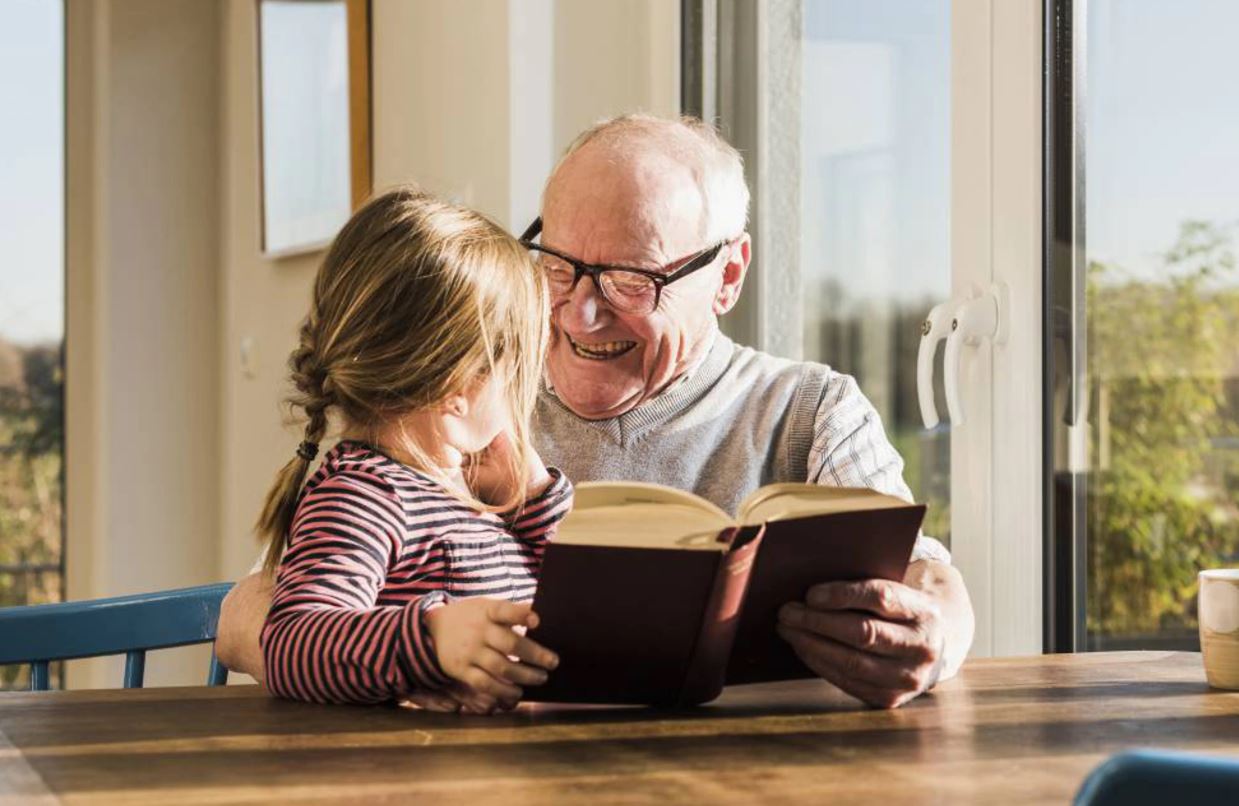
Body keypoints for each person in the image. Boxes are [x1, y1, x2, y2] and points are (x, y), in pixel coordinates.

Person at [219, 114, 974, 710]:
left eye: (627, 279)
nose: (580, 314)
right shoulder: (470, 390)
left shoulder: (809, 410)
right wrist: (409, 660)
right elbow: (258, 616)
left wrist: (935, 635)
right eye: (559, 265)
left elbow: (927, 582)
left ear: (727, 276)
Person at [254, 188, 572, 713]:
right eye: (519, 372)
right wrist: (430, 640)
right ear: (458, 389)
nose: (526, 391)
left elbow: (570, 609)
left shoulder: (470, 491)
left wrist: (536, 498)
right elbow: (292, 642)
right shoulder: (365, 492)